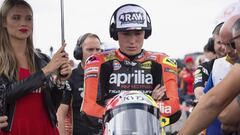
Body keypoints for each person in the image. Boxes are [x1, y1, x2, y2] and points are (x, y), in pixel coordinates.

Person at [81, 4, 181, 133]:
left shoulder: (162, 61)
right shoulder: (98, 62)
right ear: (116, 34)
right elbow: (89, 110)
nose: (132, 40)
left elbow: (173, 108)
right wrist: (152, 100)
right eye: (126, 34)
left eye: (138, 33)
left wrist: (112, 103)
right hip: (113, 130)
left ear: (146, 33)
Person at [0, 0, 72, 134]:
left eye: (29, 18)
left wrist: (60, 80)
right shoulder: (1, 60)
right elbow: (4, 94)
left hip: (45, 128)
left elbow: (53, 105)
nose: (24, 23)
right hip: (14, 129)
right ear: (4, 22)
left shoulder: (42, 59)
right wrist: (46, 71)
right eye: (16, 17)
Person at [178, 15, 240, 135]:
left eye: (231, 44)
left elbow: (216, 106)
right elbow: (207, 100)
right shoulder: (213, 66)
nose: (227, 50)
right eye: (222, 43)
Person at [57, 33, 102, 135]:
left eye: (98, 49)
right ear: (79, 53)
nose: (95, 53)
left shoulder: (108, 76)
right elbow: (60, 115)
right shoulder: (70, 78)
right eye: (90, 50)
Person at [194, 22, 226, 100]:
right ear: (212, 44)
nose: (224, 46)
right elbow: (199, 94)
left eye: (226, 42)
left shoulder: (237, 64)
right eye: (219, 42)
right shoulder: (204, 67)